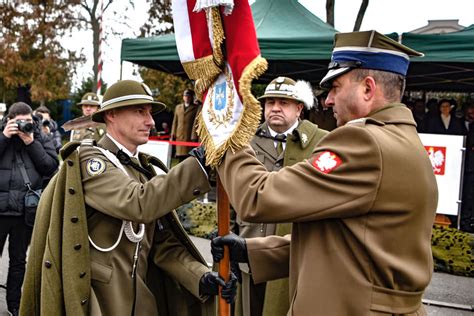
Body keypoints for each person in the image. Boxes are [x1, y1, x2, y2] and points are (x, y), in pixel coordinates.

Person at [211, 30, 438, 315]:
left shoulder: (364, 142)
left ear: (368, 88)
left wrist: (228, 132)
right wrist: (253, 251)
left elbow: (257, 197)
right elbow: (344, 241)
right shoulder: (402, 140)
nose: (327, 100)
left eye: (335, 87)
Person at [20, 80, 236, 315]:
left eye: (150, 113)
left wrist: (201, 276)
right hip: (100, 301)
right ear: (111, 115)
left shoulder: (139, 168)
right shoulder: (91, 161)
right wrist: (199, 165)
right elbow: (138, 203)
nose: (150, 121)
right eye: (139, 111)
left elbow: (162, 245)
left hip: (141, 300)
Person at [233, 76, 328, 316]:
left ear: (299, 108)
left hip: (292, 251)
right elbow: (233, 192)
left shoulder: (320, 142)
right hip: (249, 244)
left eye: (284, 103)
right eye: (270, 102)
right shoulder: (246, 141)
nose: (275, 108)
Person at [0, 102, 59, 316]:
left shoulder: (40, 135)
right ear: (9, 120)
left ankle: (15, 305)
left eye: (27, 121)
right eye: (18, 122)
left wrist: (31, 142)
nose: (23, 125)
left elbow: (51, 167)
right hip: (0, 210)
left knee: (18, 261)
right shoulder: (2, 131)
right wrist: (5, 137)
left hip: (26, 211)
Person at [171, 89, 200, 161]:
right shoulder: (178, 107)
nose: (187, 98)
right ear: (183, 97)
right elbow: (175, 121)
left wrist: (194, 136)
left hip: (189, 136)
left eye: (189, 96)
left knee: (188, 156)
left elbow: (196, 122)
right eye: (185, 96)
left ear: (191, 97)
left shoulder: (196, 108)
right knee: (179, 156)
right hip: (179, 136)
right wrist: (173, 133)